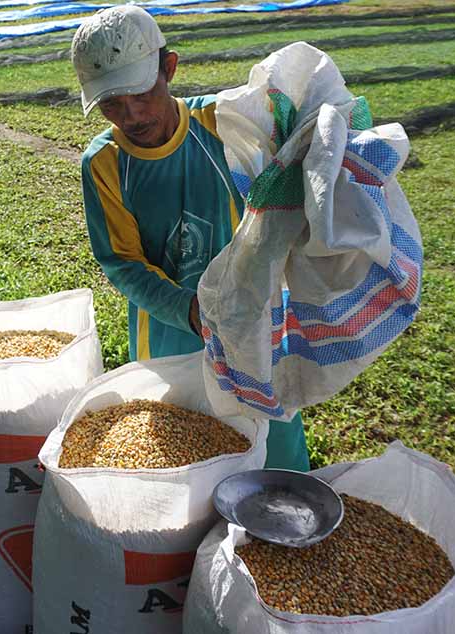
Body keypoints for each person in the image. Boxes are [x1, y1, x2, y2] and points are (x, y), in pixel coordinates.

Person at [71, 5, 309, 471]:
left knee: (270, 446)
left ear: (169, 68)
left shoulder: (224, 124)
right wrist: (189, 309)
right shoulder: (104, 163)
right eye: (111, 103)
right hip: (169, 330)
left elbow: (300, 133)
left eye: (141, 93)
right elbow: (124, 264)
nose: (131, 114)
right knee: (184, 450)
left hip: (252, 320)